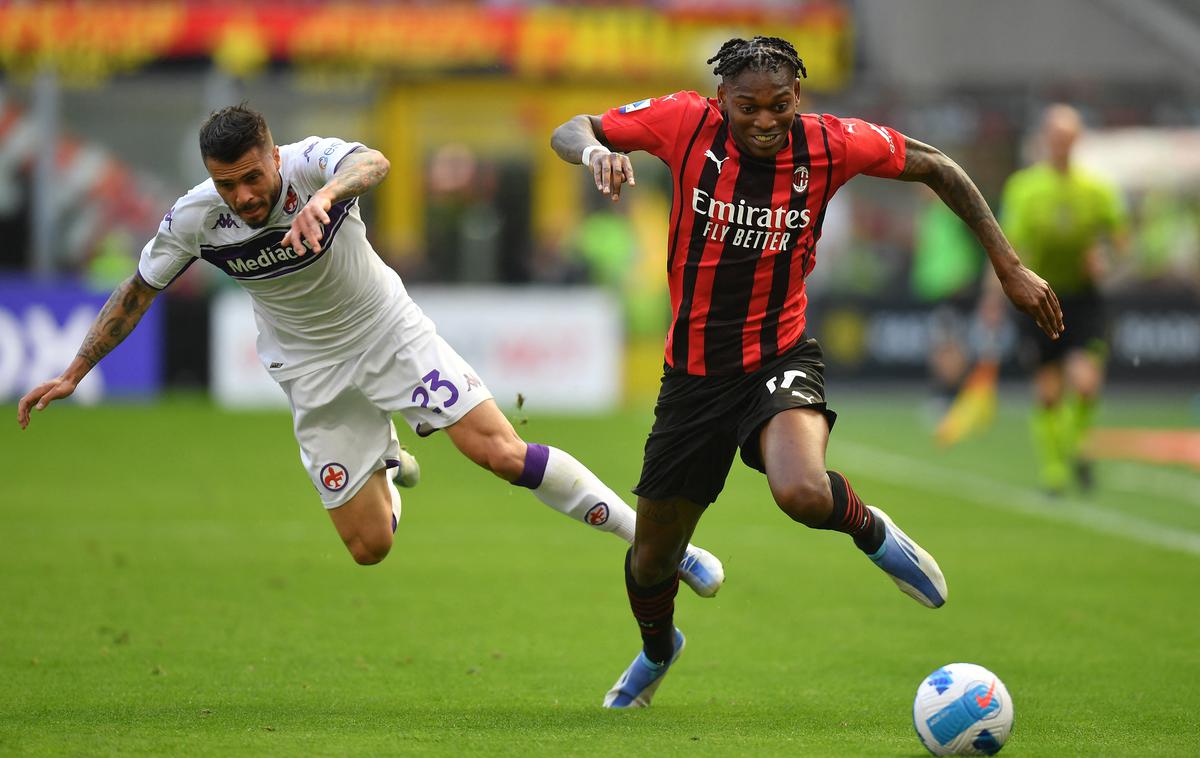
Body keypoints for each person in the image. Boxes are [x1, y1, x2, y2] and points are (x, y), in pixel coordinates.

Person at [16, 104, 724, 598]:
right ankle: (387, 458)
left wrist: (325, 198)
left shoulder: (312, 164)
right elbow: (137, 291)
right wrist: (75, 371)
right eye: (227, 183)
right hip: (312, 373)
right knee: (370, 548)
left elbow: (374, 161)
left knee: (501, 455)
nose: (244, 195)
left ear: (272, 155)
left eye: (253, 177)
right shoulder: (194, 217)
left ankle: (665, 549)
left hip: (388, 334)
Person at [551, 36, 1063, 709]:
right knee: (651, 560)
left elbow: (936, 165)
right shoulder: (682, 123)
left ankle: (871, 530)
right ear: (720, 102)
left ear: (800, 97)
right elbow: (572, 128)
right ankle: (657, 650)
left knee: (801, 491)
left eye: (780, 106)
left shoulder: (830, 144)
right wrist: (596, 150)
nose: (765, 121)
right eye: (748, 108)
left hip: (778, 355)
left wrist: (1008, 264)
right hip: (694, 378)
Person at [998, 104, 1127, 493]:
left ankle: (1072, 448)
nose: (1060, 144)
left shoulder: (1097, 189)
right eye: (1054, 137)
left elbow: (1121, 242)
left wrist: (1105, 259)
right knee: (1050, 392)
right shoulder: (1024, 188)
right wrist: (997, 296)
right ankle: (1054, 472)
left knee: (1085, 384)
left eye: (1067, 137)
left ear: (1077, 140)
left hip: (1083, 298)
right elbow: (1006, 246)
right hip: (1038, 296)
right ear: (1044, 140)